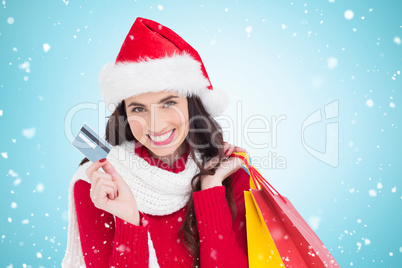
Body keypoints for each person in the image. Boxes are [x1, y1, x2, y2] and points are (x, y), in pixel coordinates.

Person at [62, 17, 251, 268]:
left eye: (169, 103)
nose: (155, 124)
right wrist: (129, 220)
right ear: (125, 114)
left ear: (192, 105)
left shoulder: (230, 176)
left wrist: (211, 189)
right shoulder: (97, 184)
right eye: (138, 108)